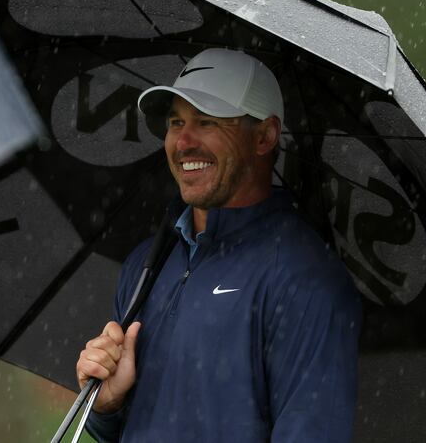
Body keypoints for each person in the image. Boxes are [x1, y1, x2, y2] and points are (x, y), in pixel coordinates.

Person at [76, 48, 362, 442]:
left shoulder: (305, 279)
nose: (184, 142)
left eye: (207, 122)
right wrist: (107, 406)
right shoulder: (147, 263)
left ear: (263, 137)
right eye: (176, 122)